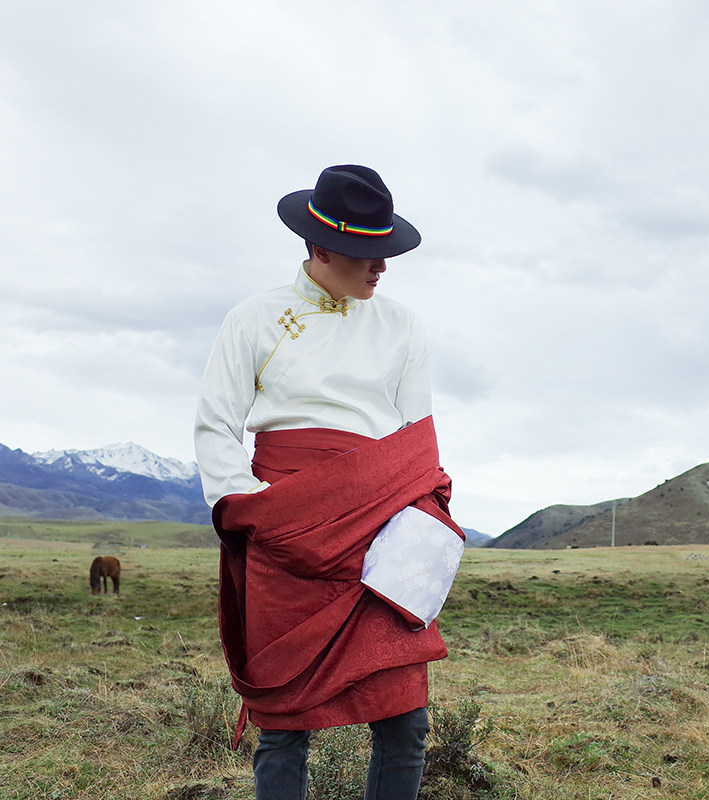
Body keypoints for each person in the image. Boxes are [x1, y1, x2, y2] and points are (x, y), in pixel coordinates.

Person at [194, 165, 463, 800]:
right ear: (320, 249)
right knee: (284, 724)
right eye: (368, 254)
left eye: (387, 251)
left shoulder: (403, 326)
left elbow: (418, 441)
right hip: (283, 525)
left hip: (381, 527)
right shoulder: (254, 318)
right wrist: (260, 512)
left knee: (406, 720)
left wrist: (418, 521)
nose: (382, 268)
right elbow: (216, 426)